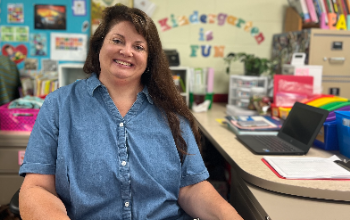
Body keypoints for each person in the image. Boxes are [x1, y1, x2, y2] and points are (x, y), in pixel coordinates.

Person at [18, 4, 243, 220]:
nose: (126, 51)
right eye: (117, 40)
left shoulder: (170, 110)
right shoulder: (59, 104)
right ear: (99, 46)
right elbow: (38, 187)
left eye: (139, 46)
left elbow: (191, 187)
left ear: (149, 59)